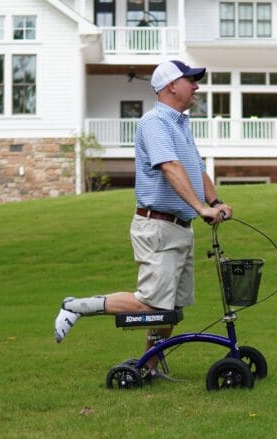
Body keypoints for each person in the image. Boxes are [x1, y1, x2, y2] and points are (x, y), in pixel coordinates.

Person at [53, 60, 233, 363]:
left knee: (171, 309)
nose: (197, 86)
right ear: (171, 85)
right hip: (158, 227)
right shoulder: (155, 123)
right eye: (191, 80)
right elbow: (170, 167)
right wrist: (200, 207)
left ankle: (149, 366)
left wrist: (215, 204)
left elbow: (197, 170)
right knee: (152, 304)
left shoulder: (181, 124)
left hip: (180, 228)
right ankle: (76, 306)